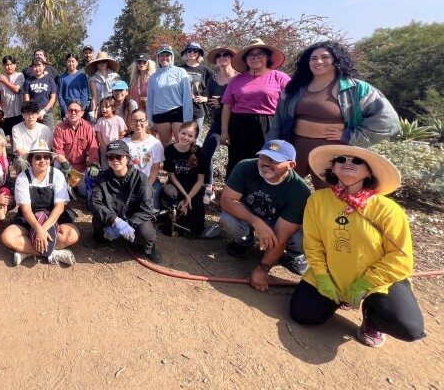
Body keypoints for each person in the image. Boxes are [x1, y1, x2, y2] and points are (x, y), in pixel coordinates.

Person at [290, 145, 425, 348]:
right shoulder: (317, 201)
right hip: (332, 276)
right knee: (302, 314)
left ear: (369, 171)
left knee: (408, 328)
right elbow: (313, 243)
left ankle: (371, 317)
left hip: (376, 282)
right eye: (341, 159)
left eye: (357, 160)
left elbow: (400, 257)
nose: (348, 162)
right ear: (333, 168)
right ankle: (338, 297)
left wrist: (364, 283)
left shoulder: (388, 210)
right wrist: (322, 277)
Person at [266, 40, 400, 189]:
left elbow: (389, 121)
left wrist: (350, 136)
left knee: (330, 195)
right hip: (295, 148)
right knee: (281, 187)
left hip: (332, 153)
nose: (318, 61)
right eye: (313, 58)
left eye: (325, 57)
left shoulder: (356, 88)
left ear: (336, 60)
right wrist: (271, 147)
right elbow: (278, 120)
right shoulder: (294, 87)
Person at [219, 140, 311, 291]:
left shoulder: (300, 191)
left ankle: (294, 255)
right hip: (250, 215)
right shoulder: (245, 166)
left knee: (301, 236)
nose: (265, 163)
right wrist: (256, 222)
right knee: (228, 218)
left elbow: (282, 236)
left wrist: (263, 268)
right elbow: (226, 200)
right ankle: (244, 242)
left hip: (279, 224)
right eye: (263, 157)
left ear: (291, 165)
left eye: (274, 160)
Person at [1, 140, 79, 266]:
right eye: (38, 157)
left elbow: (59, 208)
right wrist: (38, 229)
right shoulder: (22, 178)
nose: (42, 160)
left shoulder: (57, 175)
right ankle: (53, 253)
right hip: (30, 216)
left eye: (46, 157)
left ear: (50, 159)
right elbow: (26, 209)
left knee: (72, 235)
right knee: (7, 237)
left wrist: (43, 229)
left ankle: (27, 251)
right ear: (30, 160)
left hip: (53, 215)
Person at [221, 39, 290, 178]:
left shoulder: (280, 77)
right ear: (245, 59)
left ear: (267, 57)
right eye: (250, 55)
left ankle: (263, 194)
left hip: (269, 125)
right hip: (239, 125)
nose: (255, 58)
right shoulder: (236, 80)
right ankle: (235, 193)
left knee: (267, 160)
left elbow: (292, 104)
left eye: (260, 54)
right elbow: (227, 106)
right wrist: (224, 132)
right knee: (237, 161)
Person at [86, 140, 162, 263]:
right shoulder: (101, 178)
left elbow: (147, 209)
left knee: (147, 232)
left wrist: (128, 224)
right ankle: (100, 238)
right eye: (111, 157)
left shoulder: (141, 179)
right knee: (98, 218)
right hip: (112, 217)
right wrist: (115, 220)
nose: (115, 160)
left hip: (134, 219)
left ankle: (149, 248)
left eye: (119, 156)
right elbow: (94, 203)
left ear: (127, 158)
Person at [160, 121, 221, 238]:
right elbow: (171, 175)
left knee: (197, 229)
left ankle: (184, 211)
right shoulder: (169, 150)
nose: (185, 137)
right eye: (183, 133)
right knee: (167, 191)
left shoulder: (199, 153)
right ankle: (175, 210)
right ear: (178, 132)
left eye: (190, 136)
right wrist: (185, 196)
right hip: (177, 187)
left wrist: (189, 197)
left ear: (195, 138)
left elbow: (200, 180)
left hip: (194, 188)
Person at [201, 46, 239, 204]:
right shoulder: (213, 79)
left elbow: (244, 102)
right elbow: (211, 103)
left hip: (237, 121)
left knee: (235, 157)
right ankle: (209, 186)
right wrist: (217, 104)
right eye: (219, 56)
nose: (222, 57)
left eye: (226, 55)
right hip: (218, 121)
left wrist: (223, 102)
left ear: (232, 58)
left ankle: (232, 191)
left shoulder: (240, 78)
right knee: (205, 153)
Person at [146, 44, 193, 147]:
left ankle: (184, 164)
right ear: (157, 57)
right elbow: (150, 100)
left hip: (177, 112)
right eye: (161, 55)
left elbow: (187, 97)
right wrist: (149, 119)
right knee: (166, 146)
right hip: (160, 114)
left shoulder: (180, 72)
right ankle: (169, 163)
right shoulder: (153, 77)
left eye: (167, 55)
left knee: (182, 144)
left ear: (172, 57)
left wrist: (188, 119)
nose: (164, 58)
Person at [52, 99, 100, 198]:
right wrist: (65, 164)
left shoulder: (88, 127)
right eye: (70, 110)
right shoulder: (60, 128)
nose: (73, 113)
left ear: (82, 113)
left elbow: (93, 147)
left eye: (76, 110)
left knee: (84, 193)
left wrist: (94, 164)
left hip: (80, 167)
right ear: (66, 112)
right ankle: (57, 187)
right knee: (56, 165)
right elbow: (57, 149)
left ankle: (73, 186)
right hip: (64, 164)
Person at [123, 110, 164, 211]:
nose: (138, 124)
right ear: (130, 123)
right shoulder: (124, 143)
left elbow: (155, 170)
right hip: (130, 181)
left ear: (146, 122)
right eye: (135, 121)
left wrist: (146, 186)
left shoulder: (156, 144)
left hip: (150, 180)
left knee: (153, 196)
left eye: (141, 120)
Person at [180, 42, 215, 145]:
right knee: (182, 137)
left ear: (199, 53)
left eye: (195, 50)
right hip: (181, 109)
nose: (192, 53)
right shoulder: (179, 69)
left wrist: (207, 98)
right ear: (185, 53)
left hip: (197, 109)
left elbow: (218, 84)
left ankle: (196, 161)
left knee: (196, 139)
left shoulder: (205, 69)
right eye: (189, 50)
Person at [11, 101, 53, 173]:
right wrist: (33, 160)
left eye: (33, 114)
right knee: (21, 162)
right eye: (27, 114)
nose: (30, 117)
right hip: (24, 157)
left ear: (37, 115)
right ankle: (24, 181)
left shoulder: (45, 129)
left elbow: (47, 150)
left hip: (41, 157)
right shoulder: (16, 128)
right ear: (23, 115)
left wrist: (38, 159)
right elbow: (19, 150)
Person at [0, 55, 25, 145]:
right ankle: (3, 155)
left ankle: (16, 154)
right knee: (2, 135)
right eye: (7, 64)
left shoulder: (20, 76)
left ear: (15, 65)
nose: (9, 66)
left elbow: (16, 89)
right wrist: (0, 110)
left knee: (16, 135)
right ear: (3, 66)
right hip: (5, 112)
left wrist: (5, 81)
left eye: (11, 64)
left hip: (18, 112)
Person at [23, 57, 57, 129]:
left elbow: (53, 98)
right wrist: (33, 112)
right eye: (35, 66)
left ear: (44, 66)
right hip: (33, 114)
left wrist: (44, 111)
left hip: (47, 113)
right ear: (32, 68)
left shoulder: (50, 80)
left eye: (39, 65)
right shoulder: (28, 81)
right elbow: (26, 99)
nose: (37, 68)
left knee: (48, 137)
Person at [86, 52, 121, 122]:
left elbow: (118, 94)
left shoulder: (115, 77)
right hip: (101, 107)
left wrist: (118, 107)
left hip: (113, 106)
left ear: (107, 63)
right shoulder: (93, 79)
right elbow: (94, 97)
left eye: (104, 61)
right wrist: (94, 111)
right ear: (96, 65)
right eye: (99, 62)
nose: (101, 64)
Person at [95, 96, 127, 168]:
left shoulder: (119, 120)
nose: (104, 109)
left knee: (116, 165)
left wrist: (116, 146)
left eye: (106, 107)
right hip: (104, 149)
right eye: (102, 107)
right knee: (105, 166)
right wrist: (104, 147)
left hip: (117, 149)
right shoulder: (100, 121)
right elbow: (98, 135)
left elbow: (122, 134)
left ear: (112, 108)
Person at [57, 53, 89, 119]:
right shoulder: (62, 77)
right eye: (69, 61)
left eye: (73, 61)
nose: (71, 64)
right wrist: (66, 111)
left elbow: (85, 94)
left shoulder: (82, 76)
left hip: (79, 109)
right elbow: (60, 96)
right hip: (67, 109)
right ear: (66, 63)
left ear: (77, 63)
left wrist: (82, 109)